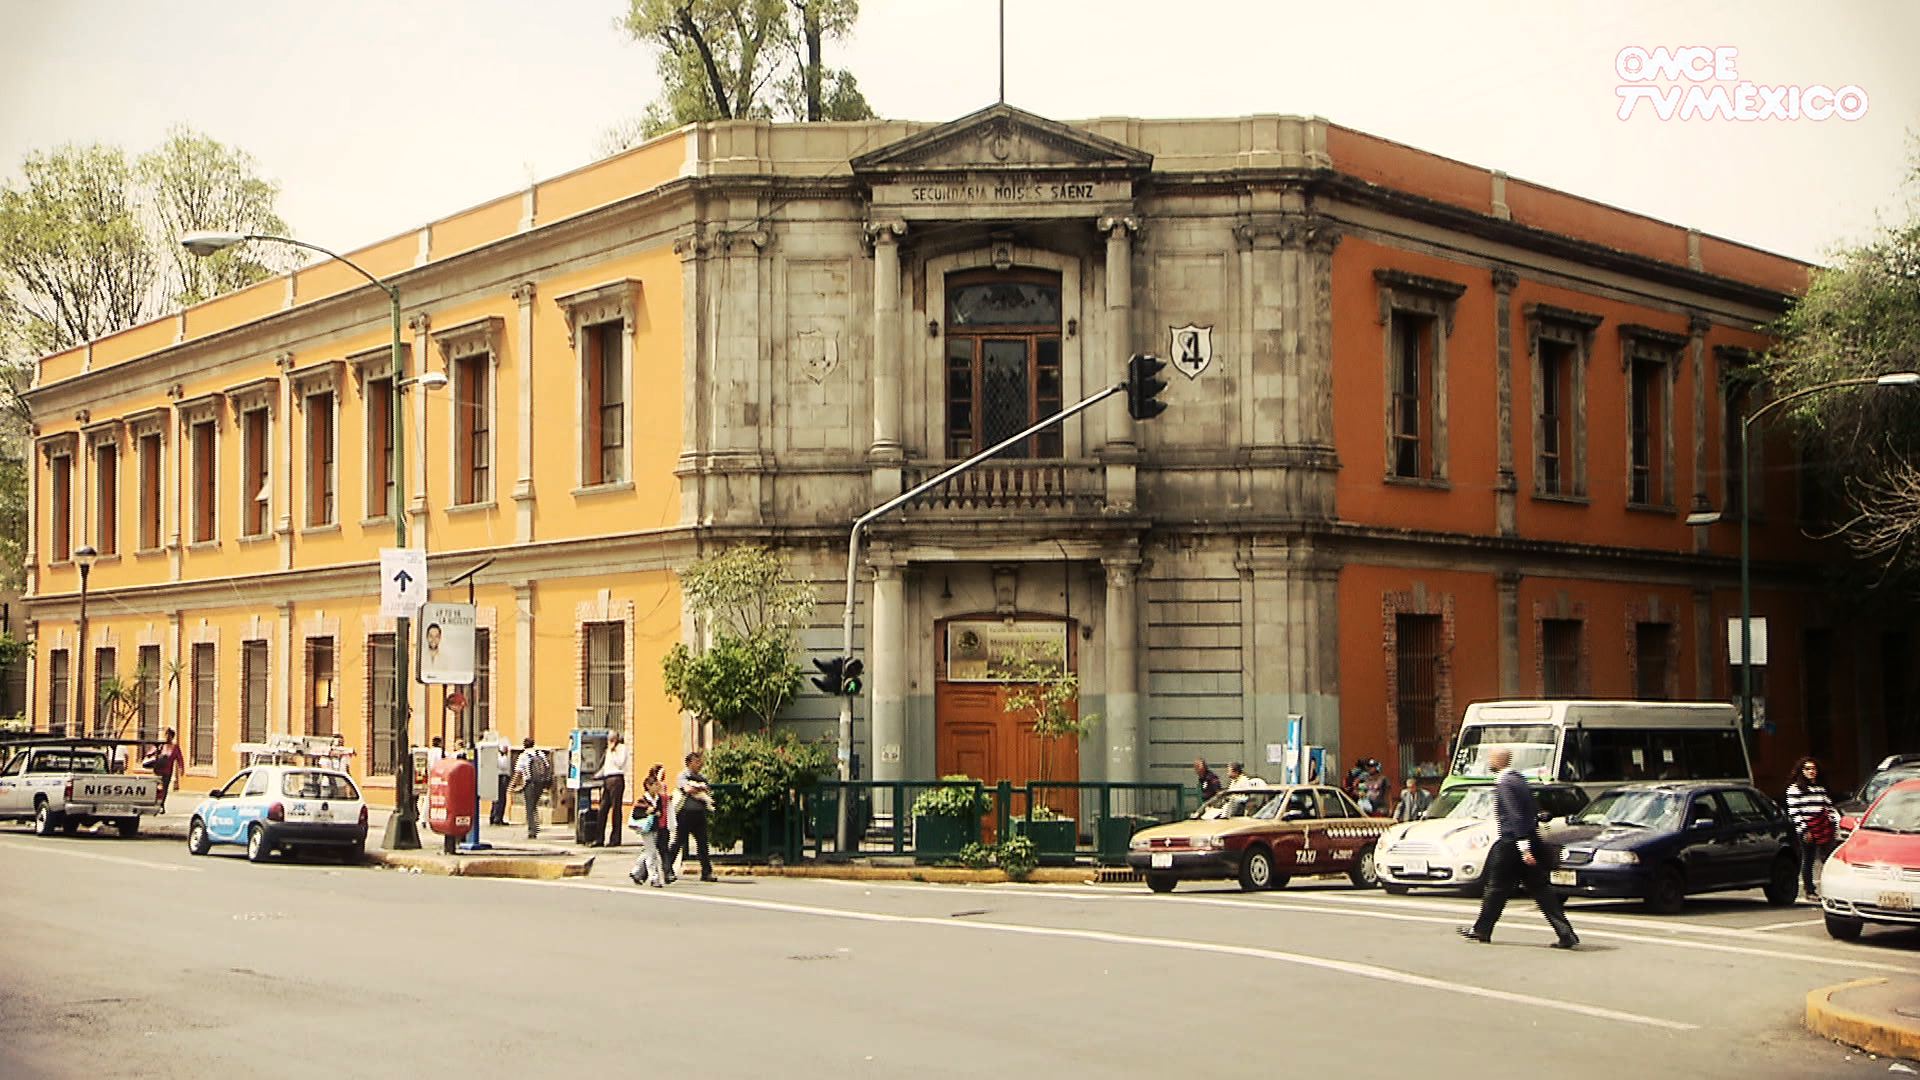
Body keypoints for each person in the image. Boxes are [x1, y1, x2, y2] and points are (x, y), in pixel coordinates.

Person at [1459, 747, 1579, 949]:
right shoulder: (1519, 779)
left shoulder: (1505, 783)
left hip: (1512, 842)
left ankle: (1482, 930)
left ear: (1498, 760)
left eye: (1491, 758)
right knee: (1540, 889)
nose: (1489, 761)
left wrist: (1523, 847)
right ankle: (1566, 933)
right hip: (1526, 839)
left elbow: (1515, 815)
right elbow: (1531, 810)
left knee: (1496, 888)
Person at [1785, 756, 1840, 901]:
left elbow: (1829, 808)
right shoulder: (1794, 789)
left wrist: (1834, 826)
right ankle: (1809, 890)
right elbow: (1794, 812)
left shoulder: (1820, 788)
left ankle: (1831, 890)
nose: (1811, 771)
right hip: (1807, 829)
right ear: (1801, 771)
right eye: (1807, 769)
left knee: (1828, 860)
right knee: (1808, 859)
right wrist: (1805, 830)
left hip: (1824, 828)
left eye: (1814, 768)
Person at [668, 750, 716, 882]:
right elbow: (687, 789)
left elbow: (708, 789)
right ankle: (667, 868)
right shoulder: (683, 776)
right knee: (678, 842)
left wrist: (699, 788)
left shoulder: (702, 777)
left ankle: (706, 872)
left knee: (703, 844)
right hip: (685, 813)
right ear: (689, 763)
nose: (700, 764)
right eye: (697, 762)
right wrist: (700, 788)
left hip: (699, 813)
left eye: (700, 761)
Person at [510, 738, 553, 840]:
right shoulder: (540, 754)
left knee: (530, 807)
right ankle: (535, 826)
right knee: (534, 805)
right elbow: (548, 767)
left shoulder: (523, 756)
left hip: (530, 783)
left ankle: (532, 830)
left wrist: (511, 786)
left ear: (524, 745)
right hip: (540, 783)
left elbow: (518, 772)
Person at [596, 732, 631, 848]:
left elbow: (620, 763)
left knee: (616, 809)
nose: (609, 741)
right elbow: (606, 766)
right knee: (602, 809)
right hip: (607, 779)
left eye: (611, 739)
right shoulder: (608, 750)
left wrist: (613, 751)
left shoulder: (622, 748)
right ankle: (599, 838)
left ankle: (615, 839)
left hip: (616, 778)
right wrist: (596, 775)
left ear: (616, 739)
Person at [627, 789, 666, 888]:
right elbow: (636, 814)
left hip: (655, 828)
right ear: (649, 786)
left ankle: (635, 871)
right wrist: (647, 812)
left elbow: (660, 812)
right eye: (655, 785)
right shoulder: (643, 800)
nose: (657, 787)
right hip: (646, 829)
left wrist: (657, 813)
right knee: (651, 854)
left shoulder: (658, 799)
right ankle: (654, 878)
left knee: (647, 851)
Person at [149, 729, 185, 807]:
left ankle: (161, 804)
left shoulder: (175, 747)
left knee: (164, 788)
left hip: (167, 771)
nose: (167, 737)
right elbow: (150, 754)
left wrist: (181, 768)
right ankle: (154, 802)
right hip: (158, 770)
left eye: (169, 735)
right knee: (156, 787)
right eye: (166, 735)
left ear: (172, 737)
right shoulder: (160, 745)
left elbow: (179, 758)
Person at [488, 738, 512, 826]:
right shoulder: (498, 756)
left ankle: (498, 817)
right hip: (499, 776)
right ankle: (496, 817)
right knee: (498, 798)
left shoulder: (505, 756)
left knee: (501, 798)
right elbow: (502, 766)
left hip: (504, 776)